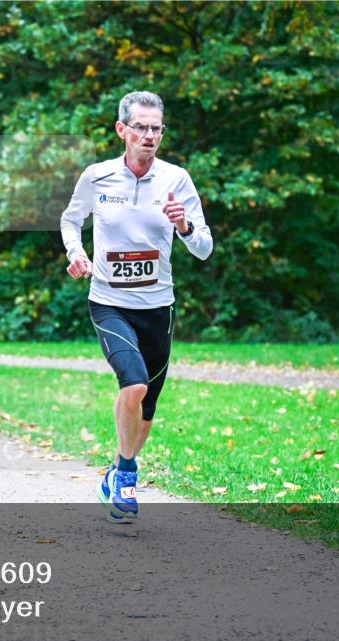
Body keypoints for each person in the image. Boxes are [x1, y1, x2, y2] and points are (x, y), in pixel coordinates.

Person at [60, 91, 213, 523]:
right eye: (141, 127)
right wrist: (76, 252)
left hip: (157, 306)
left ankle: (114, 469)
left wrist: (183, 224)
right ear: (122, 130)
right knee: (134, 384)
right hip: (109, 303)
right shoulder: (98, 176)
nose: (149, 136)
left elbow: (204, 248)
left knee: (146, 409)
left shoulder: (176, 179)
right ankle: (127, 473)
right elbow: (71, 220)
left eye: (156, 128)